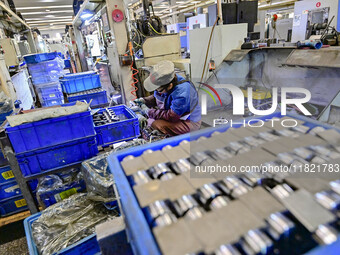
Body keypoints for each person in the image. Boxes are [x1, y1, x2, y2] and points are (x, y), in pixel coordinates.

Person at [134, 60, 201, 136]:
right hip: (177, 116)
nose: (156, 91)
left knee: (155, 125)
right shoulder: (166, 81)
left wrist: (149, 112)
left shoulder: (183, 93)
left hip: (190, 121)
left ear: (170, 86)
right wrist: (144, 101)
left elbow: (171, 116)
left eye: (158, 90)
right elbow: (159, 96)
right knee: (150, 120)